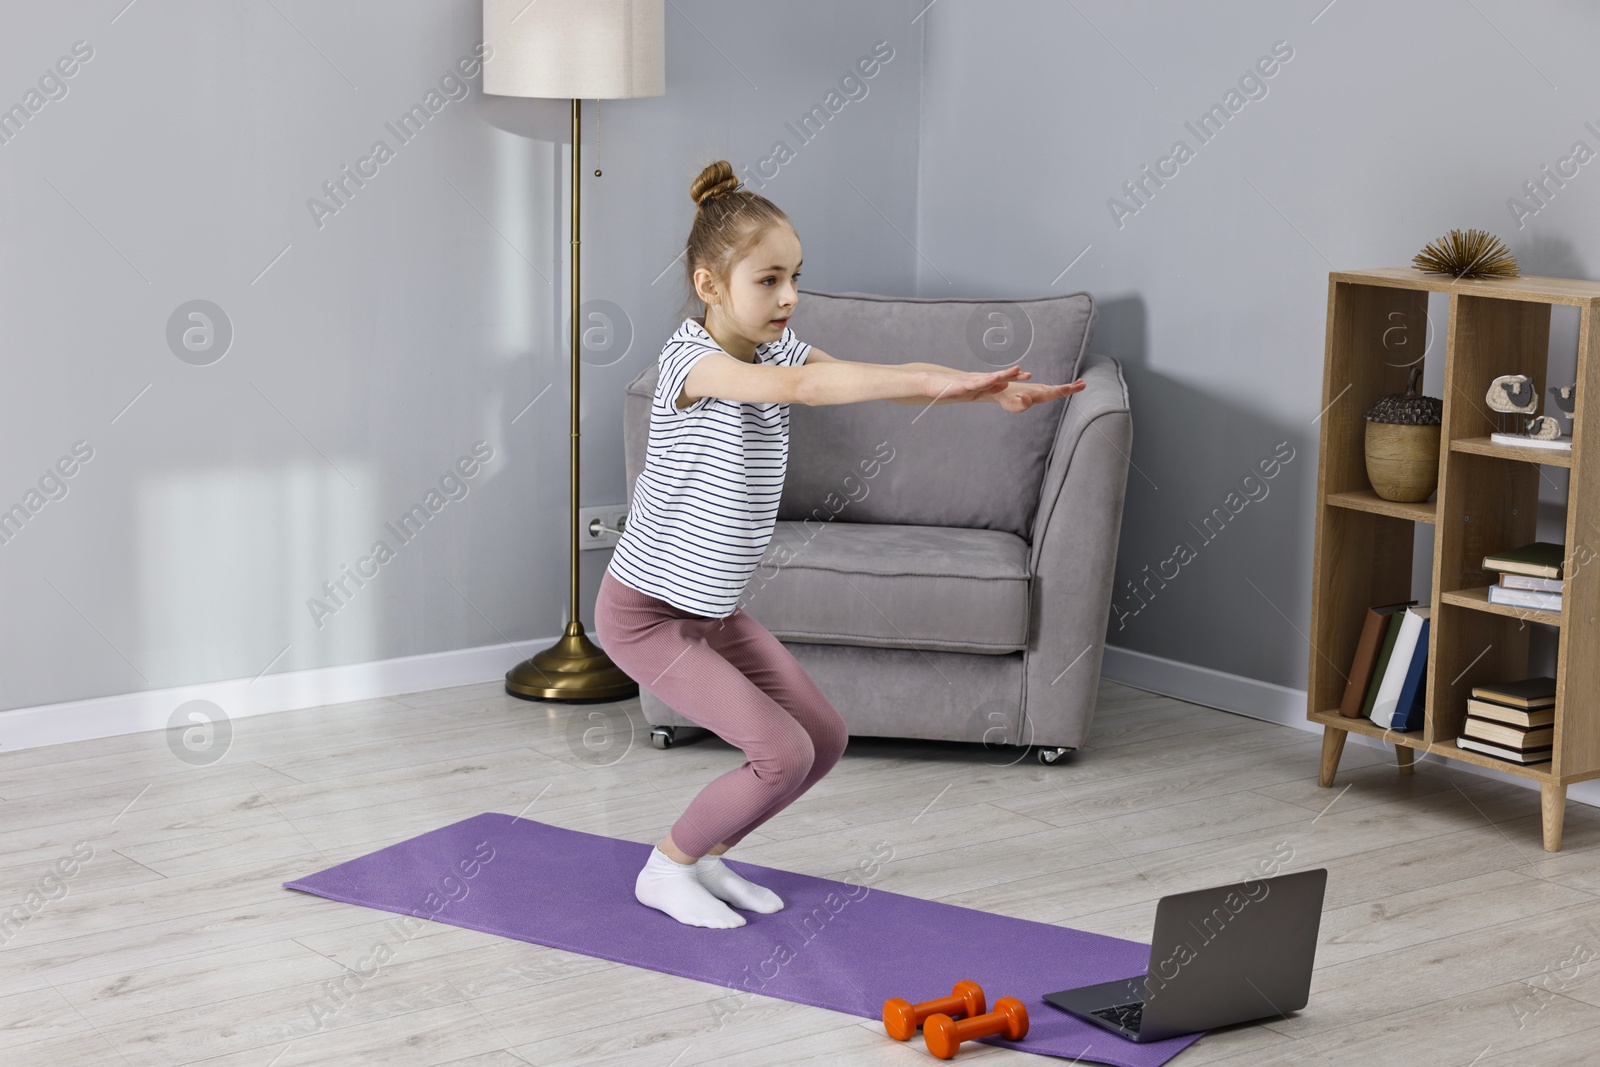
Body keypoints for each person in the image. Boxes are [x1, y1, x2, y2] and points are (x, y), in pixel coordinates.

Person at [593, 159, 1086, 929]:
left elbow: (881, 374)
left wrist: (977, 386)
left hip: (713, 610)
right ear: (710, 284)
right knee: (781, 754)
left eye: (795, 277)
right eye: (769, 280)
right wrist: (935, 385)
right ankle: (668, 865)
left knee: (821, 738)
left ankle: (710, 854)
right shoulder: (694, 364)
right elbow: (804, 391)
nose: (790, 296)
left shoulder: (776, 350)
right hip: (647, 614)